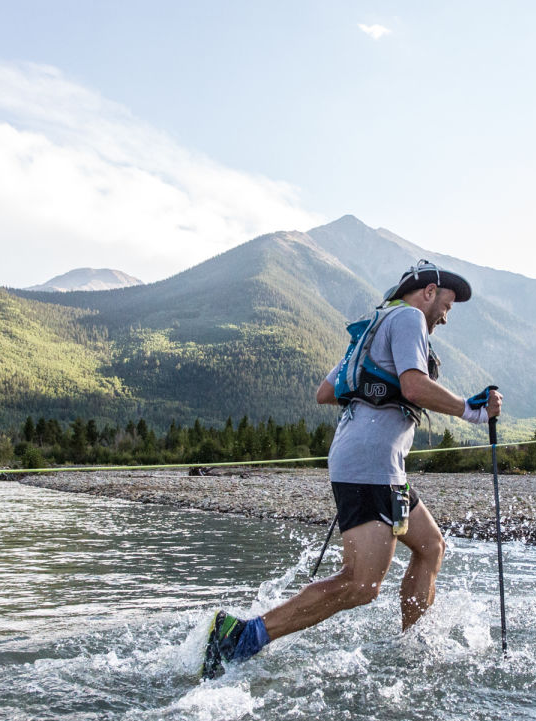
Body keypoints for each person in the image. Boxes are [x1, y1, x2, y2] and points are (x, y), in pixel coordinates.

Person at [201, 260, 502, 679]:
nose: (446, 317)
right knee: (361, 584)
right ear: (429, 292)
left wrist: (371, 393)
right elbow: (414, 386)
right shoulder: (410, 317)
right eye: (447, 305)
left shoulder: (375, 328)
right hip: (369, 464)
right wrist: (471, 410)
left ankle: (413, 648)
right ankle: (243, 636)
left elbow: (325, 392)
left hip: (381, 464)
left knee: (431, 546)